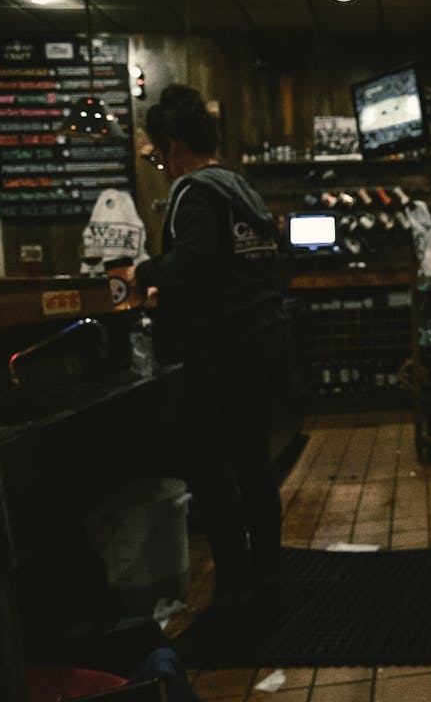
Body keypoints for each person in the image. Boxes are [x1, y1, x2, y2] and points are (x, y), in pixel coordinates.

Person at [130, 84, 288, 620]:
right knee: (253, 462)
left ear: (174, 144)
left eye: (156, 153)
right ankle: (267, 569)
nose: (158, 164)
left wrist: (146, 273)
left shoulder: (195, 192)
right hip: (265, 342)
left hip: (222, 353)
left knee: (210, 466)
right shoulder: (241, 188)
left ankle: (235, 586)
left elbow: (194, 262)